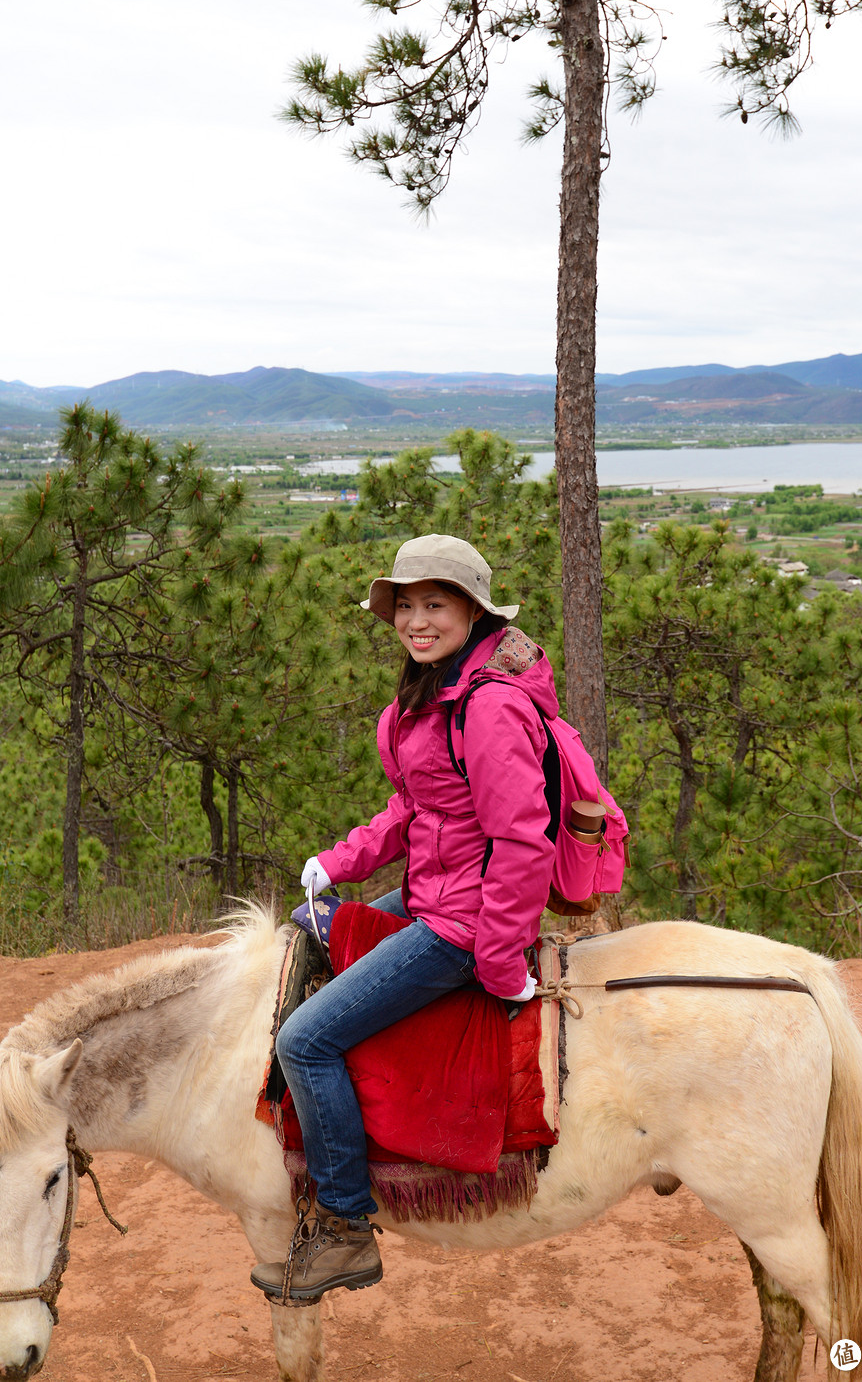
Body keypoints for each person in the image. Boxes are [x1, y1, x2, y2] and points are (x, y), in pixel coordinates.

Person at [250, 533, 561, 1304]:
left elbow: (524, 842)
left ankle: (345, 1226)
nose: (418, 621)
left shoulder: (485, 709)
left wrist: (497, 962)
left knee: (305, 1038)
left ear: (472, 612)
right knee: (305, 921)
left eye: (437, 605)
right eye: (407, 606)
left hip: (466, 922)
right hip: (435, 892)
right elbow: (413, 809)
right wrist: (341, 860)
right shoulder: (428, 695)